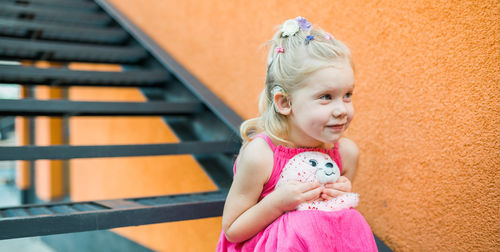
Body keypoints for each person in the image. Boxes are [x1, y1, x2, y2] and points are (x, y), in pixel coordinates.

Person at [217, 16, 377, 251]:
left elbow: (328, 220)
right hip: (272, 244)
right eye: (326, 97)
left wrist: (338, 193)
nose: (342, 110)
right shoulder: (261, 156)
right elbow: (232, 229)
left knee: (354, 220)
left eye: (348, 95)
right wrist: (278, 203)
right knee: (302, 223)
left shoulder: (346, 153)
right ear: (284, 103)